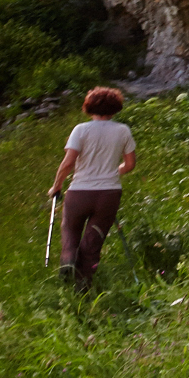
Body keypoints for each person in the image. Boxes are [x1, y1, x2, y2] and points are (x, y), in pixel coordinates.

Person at [48, 86, 136, 289]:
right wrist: (114, 172)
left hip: (79, 192)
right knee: (92, 244)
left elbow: (68, 162)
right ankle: (82, 289)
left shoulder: (81, 130)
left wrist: (56, 186)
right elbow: (130, 164)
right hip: (108, 195)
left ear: (89, 108)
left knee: (70, 232)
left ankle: (68, 260)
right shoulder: (122, 131)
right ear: (115, 108)